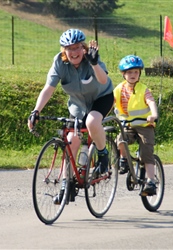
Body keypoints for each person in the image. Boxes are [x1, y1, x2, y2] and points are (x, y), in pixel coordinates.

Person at [28, 28, 114, 203]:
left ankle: (103, 155)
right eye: (69, 48)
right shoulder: (59, 62)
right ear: (64, 50)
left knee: (91, 122)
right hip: (78, 105)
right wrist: (36, 111)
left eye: (77, 48)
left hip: (102, 97)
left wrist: (95, 63)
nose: (74, 52)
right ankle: (66, 185)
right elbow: (48, 88)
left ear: (83, 48)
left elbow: (103, 81)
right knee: (71, 139)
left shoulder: (91, 58)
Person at [113, 55, 158, 196]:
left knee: (146, 152)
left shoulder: (144, 89)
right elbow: (110, 102)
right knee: (120, 140)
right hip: (127, 125)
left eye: (136, 72)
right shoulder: (119, 89)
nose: (133, 75)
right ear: (123, 74)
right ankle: (124, 160)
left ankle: (150, 181)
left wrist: (154, 115)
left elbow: (151, 102)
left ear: (139, 74)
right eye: (129, 72)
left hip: (145, 125)